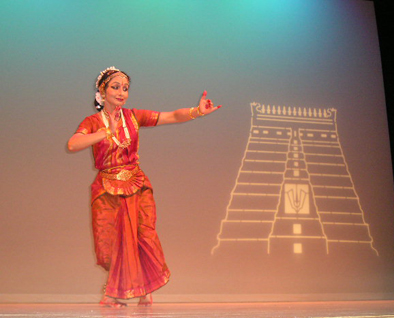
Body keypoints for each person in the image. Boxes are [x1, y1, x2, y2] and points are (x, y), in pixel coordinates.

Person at [67, 66, 221, 307]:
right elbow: (73, 144)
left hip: (137, 184)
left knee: (144, 236)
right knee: (112, 243)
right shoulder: (93, 121)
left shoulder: (133, 116)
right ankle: (111, 294)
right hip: (107, 189)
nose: (121, 93)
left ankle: (144, 290)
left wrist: (196, 112)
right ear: (102, 90)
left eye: (125, 88)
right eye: (115, 87)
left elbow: (170, 116)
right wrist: (105, 133)